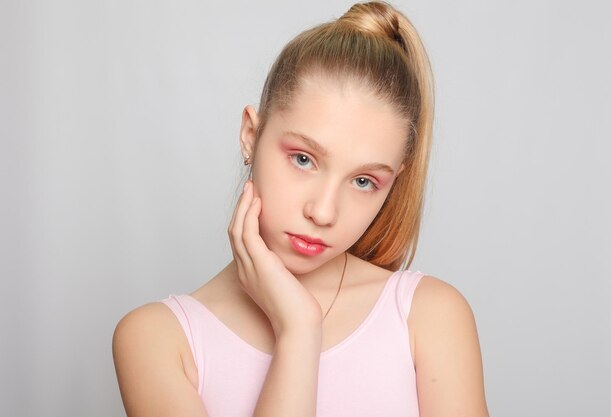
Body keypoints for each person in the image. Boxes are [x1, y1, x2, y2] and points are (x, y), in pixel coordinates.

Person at [112, 2, 489, 416]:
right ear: (251, 136)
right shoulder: (157, 340)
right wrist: (298, 332)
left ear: (393, 183)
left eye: (364, 181)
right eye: (303, 159)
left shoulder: (429, 317)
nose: (324, 212)